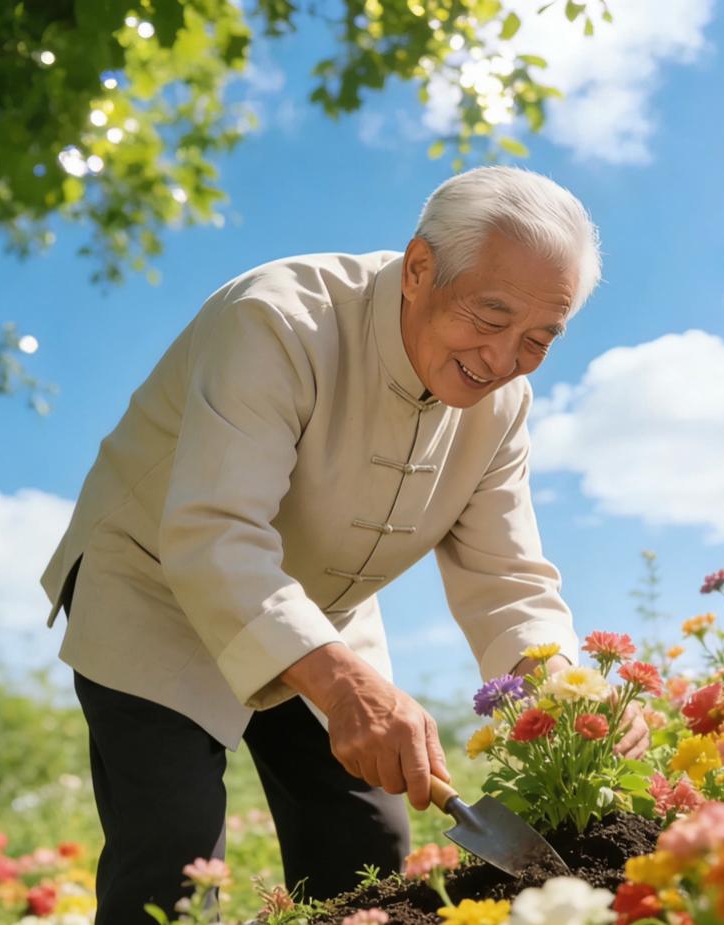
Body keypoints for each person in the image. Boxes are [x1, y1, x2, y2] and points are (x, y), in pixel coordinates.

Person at [41, 165, 650, 924]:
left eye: (537, 338)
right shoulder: (277, 320)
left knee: (363, 847)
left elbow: (506, 577)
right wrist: (342, 686)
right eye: (489, 318)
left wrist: (565, 695)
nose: (502, 360)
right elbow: (215, 533)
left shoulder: (503, 406)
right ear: (419, 268)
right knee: (172, 863)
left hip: (324, 612)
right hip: (156, 584)